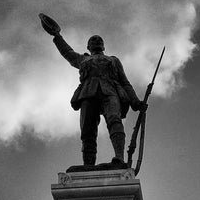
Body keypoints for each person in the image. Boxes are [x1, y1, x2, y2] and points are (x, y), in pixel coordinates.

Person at [51, 32, 146, 167]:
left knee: (114, 119)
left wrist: (135, 102)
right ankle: (88, 165)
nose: (97, 40)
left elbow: (125, 82)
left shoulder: (114, 60)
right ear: (88, 47)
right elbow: (67, 52)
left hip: (110, 91)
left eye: (99, 39)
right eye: (93, 40)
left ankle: (119, 158)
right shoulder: (83, 60)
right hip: (88, 93)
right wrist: (57, 35)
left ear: (104, 46)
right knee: (87, 129)